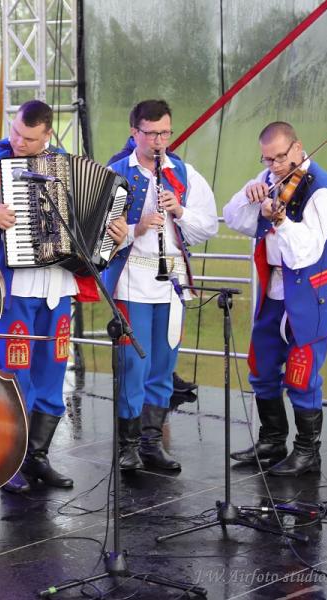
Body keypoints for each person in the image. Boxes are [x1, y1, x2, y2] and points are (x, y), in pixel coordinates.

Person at [0, 99, 107, 494]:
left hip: (58, 286)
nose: (18, 142)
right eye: (16, 132)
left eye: (29, 138)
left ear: (47, 134)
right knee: (14, 374)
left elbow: (92, 219)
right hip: (14, 287)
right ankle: (9, 461)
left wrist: (110, 229)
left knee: (53, 373)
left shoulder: (65, 165)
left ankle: (37, 457)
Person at [223, 121, 327, 476]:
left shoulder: (323, 190)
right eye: (267, 159)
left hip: (312, 294)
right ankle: (272, 440)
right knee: (261, 366)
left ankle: (307, 452)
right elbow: (233, 218)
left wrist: (282, 221)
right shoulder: (267, 178)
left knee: (302, 376)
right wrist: (249, 197)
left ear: (298, 148)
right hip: (275, 290)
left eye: (280, 157)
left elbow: (306, 252)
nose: (274, 166)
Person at [105, 99, 218, 472]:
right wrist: (136, 227)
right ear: (134, 132)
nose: (159, 141)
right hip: (131, 280)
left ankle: (151, 443)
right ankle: (128, 445)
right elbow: (98, 237)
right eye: (151, 133)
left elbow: (207, 226)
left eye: (165, 133)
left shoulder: (183, 173)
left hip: (171, 282)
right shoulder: (116, 174)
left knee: (164, 364)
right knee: (133, 364)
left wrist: (179, 211)